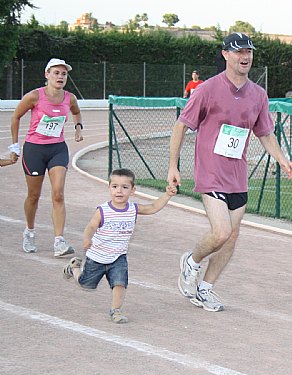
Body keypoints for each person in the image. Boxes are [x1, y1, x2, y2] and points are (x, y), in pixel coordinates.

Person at [168, 32, 292, 312]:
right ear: (225, 54)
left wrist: (282, 159)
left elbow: (265, 133)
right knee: (222, 232)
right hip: (211, 171)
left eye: (248, 52)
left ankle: (206, 288)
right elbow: (181, 125)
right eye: (238, 52)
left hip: (237, 175)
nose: (245, 57)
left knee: (232, 235)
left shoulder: (258, 95)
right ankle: (191, 261)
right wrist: (172, 166)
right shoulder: (207, 89)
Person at [63, 168, 177, 323]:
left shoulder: (133, 209)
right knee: (86, 284)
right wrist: (87, 238)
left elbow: (153, 207)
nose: (119, 191)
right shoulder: (103, 210)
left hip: (118, 256)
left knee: (120, 283)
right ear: (109, 188)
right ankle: (74, 268)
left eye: (125, 187)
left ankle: (116, 310)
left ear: (133, 190)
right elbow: (91, 226)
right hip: (97, 257)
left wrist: (167, 195)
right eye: (115, 186)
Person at [10, 58, 84, 256]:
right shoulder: (34, 96)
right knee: (33, 196)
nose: (60, 77)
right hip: (34, 149)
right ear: (47, 75)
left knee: (58, 193)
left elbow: (76, 112)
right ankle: (29, 231)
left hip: (57, 149)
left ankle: (59, 241)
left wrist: (78, 127)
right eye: (56, 73)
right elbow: (16, 116)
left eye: (64, 74)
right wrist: (15, 145)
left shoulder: (70, 98)